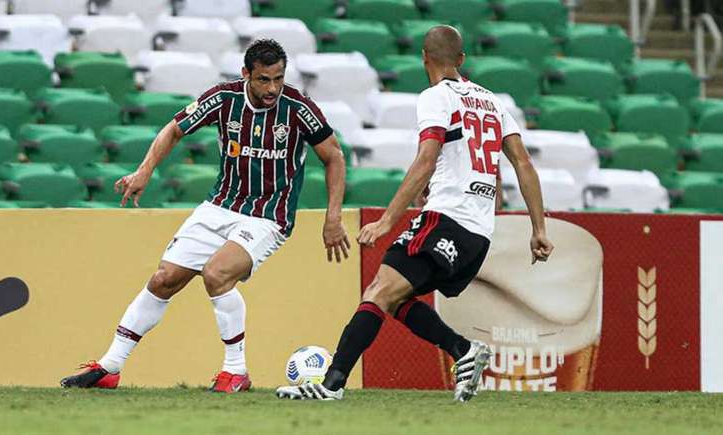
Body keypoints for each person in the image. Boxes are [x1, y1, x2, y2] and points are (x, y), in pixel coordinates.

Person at [276, 25, 554, 402]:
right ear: (462, 60)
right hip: (478, 233)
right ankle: (462, 350)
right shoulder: (493, 102)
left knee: (378, 291)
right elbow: (522, 162)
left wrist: (388, 220)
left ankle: (331, 385)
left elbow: (427, 158)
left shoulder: (435, 97)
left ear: (424, 58)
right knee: (394, 297)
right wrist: (538, 228)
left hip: (447, 217)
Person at [60, 39, 351, 392]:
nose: (273, 88)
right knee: (163, 279)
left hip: (268, 215)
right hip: (220, 206)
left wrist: (332, 218)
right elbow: (174, 128)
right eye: (263, 79)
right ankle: (110, 366)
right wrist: (144, 171)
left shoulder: (298, 108)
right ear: (246, 74)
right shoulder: (223, 98)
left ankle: (236, 371)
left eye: (278, 78)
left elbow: (333, 156)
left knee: (216, 274)